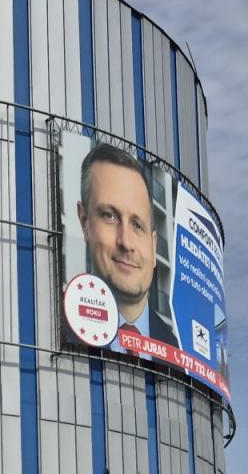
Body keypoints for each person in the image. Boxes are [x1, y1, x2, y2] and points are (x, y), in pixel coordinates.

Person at [74, 142, 178, 349]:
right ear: (85, 222)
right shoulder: (60, 326)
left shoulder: (175, 349)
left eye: (137, 225)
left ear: (154, 246)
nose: (126, 243)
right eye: (110, 216)